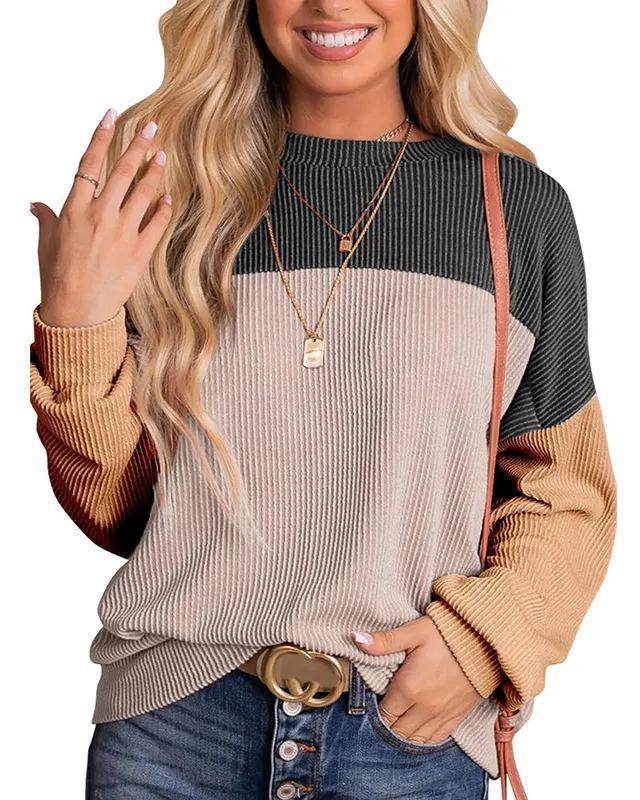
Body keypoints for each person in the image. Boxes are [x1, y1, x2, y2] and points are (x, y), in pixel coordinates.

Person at [28, 1, 617, 798]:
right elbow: (122, 512)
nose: (331, 4)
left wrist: (480, 641)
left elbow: (566, 494)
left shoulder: (514, 210)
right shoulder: (164, 201)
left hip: (405, 739)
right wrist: (76, 326)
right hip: (173, 734)